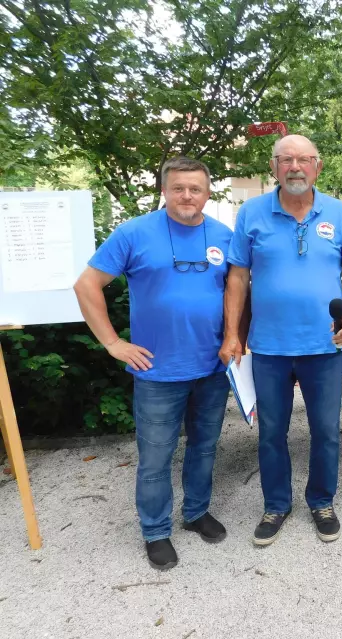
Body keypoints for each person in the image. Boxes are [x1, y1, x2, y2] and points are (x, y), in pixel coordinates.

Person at [73, 157, 233, 571]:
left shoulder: (224, 236)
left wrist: (237, 338)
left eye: (195, 189)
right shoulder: (134, 233)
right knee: (156, 458)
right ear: (164, 190)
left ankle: (196, 512)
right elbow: (86, 285)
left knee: (204, 447)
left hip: (213, 368)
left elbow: (238, 292)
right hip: (157, 371)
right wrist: (113, 343)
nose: (187, 196)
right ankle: (156, 531)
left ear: (207, 193)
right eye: (178, 188)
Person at [220, 134, 342, 545]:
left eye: (304, 159)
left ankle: (321, 501)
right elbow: (237, 276)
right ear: (274, 167)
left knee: (326, 431)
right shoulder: (252, 213)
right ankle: (276, 505)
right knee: (271, 432)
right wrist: (232, 334)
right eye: (286, 159)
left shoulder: (339, 213)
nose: (295, 167)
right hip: (269, 347)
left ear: (318, 166)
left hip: (324, 345)